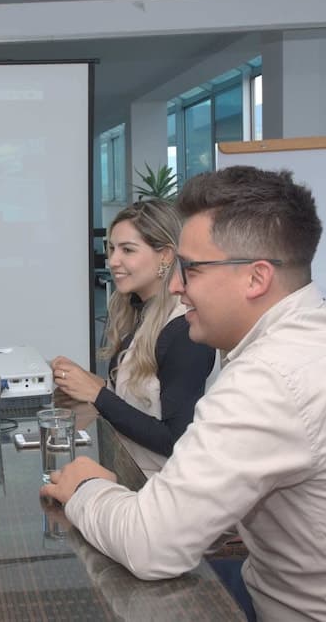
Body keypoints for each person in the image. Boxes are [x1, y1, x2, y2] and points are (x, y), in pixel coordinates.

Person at [42, 166, 326, 621]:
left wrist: (86, 488)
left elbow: (151, 547)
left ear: (256, 278)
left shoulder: (273, 377)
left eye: (190, 269)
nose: (177, 286)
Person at [50, 200, 215, 476]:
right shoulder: (138, 313)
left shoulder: (185, 331)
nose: (113, 261)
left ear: (166, 256)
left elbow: (175, 440)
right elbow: (142, 403)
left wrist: (98, 395)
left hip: (165, 488)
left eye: (127, 250)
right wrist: (90, 389)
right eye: (111, 249)